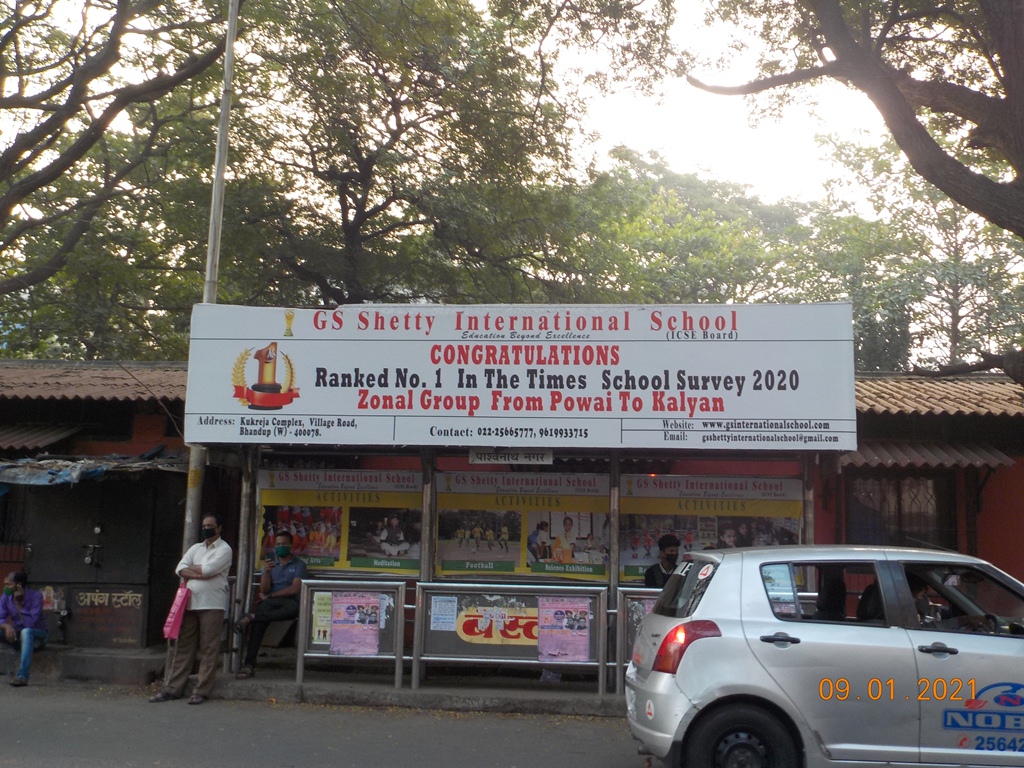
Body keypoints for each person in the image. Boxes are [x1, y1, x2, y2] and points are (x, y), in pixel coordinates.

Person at [150, 514, 232, 704]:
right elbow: (180, 568)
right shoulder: (195, 548)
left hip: (212, 603)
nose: (206, 528)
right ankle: (172, 688)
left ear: (218, 528)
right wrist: (198, 571)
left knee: (209, 648)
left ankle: (201, 690)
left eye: (210, 525)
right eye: (204, 525)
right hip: (189, 603)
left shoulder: (224, 549)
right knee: (183, 647)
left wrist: (193, 571)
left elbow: (209, 571)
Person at [235, 529, 308, 679]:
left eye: (283, 544)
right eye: (278, 544)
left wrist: (271, 595)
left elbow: (294, 589)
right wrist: (266, 573)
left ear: (290, 546)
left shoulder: (299, 564)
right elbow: (264, 589)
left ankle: (252, 617)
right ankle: (249, 665)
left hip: (289, 602)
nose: (280, 546)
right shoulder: (270, 564)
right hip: (271, 602)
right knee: (258, 624)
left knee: (291, 609)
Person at [0, 571, 49, 687]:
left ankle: (22, 676)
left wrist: (18, 604)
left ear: (19, 585)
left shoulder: (36, 597)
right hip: (17, 636)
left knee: (26, 631)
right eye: (5, 584)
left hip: (37, 637)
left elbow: (30, 624)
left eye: (9, 585)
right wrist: (6, 626)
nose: (6, 588)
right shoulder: (6, 596)